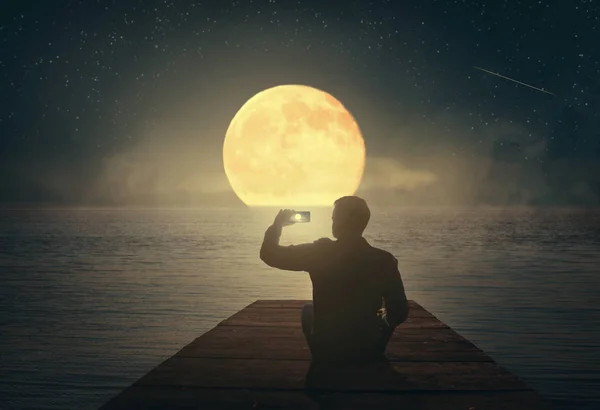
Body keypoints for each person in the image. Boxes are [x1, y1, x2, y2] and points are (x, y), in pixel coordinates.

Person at [260, 196, 409, 364]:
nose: (332, 221)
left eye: (334, 218)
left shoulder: (320, 253)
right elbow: (399, 311)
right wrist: (378, 318)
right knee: (380, 311)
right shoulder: (384, 260)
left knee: (308, 311)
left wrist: (277, 226)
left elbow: (269, 254)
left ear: (340, 221)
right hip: (368, 349)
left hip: (327, 349)